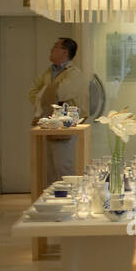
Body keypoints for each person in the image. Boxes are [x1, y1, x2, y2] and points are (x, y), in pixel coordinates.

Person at [27, 37, 88, 183]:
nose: (51, 50)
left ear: (65, 52)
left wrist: (44, 93)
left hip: (66, 126)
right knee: (49, 167)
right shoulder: (48, 72)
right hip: (48, 124)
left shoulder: (74, 73)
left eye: (55, 46)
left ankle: (70, 199)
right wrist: (44, 93)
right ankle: (52, 200)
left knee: (63, 165)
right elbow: (33, 92)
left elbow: (61, 92)